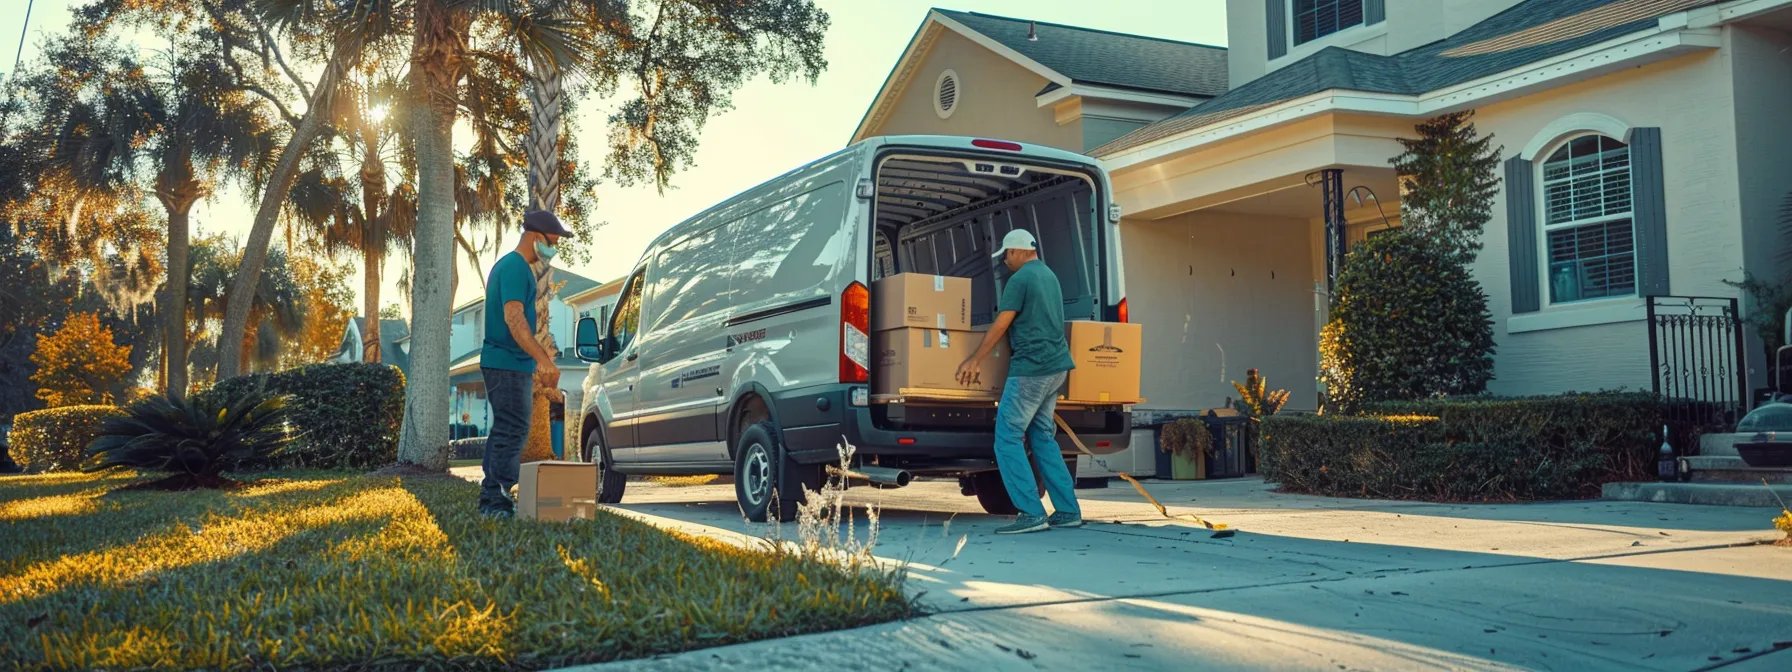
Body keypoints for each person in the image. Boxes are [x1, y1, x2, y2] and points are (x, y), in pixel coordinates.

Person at [956, 229, 1081, 534]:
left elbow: (1002, 322)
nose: (1006, 262)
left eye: (1007, 256)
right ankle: (1067, 510)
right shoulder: (1049, 276)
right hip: (1056, 368)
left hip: (1032, 369)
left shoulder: (1020, 279)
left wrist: (975, 358)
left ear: (1017, 251)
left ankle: (1030, 511)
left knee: (1007, 437)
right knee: (1041, 436)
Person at [478, 209, 573, 518]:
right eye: (551, 242)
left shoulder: (511, 267)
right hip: (507, 362)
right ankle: (496, 503)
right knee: (513, 429)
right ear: (534, 237)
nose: (553, 249)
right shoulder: (516, 267)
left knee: (505, 428)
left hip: (505, 363)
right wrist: (543, 360)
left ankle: (491, 498)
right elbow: (514, 318)